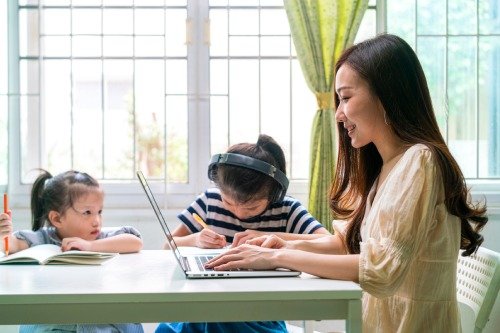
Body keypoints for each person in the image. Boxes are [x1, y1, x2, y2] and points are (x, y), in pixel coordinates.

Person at [205, 34, 488, 333]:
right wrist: (282, 241)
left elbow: (381, 270)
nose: (339, 114)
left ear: (387, 94)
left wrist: (276, 256)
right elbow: (348, 245)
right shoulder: (388, 169)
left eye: (346, 97)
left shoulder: (420, 161)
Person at [156, 134, 330, 333]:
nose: (238, 213)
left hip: (260, 314)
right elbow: (168, 244)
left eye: (252, 207)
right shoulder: (209, 201)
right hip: (206, 304)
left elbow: (329, 242)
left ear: (273, 194)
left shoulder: (286, 209)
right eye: (228, 202)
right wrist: (195, 239)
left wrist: (272, 238)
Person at [0, 169, 144, 333]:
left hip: (103, 324)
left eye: (99, 212)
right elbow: (12, 244)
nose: (96, 221)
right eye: (87, 212)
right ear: (57, 218)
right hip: (55, 324)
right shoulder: (41, 239)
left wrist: (90, 246)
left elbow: (135, 242)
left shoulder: (102, 238)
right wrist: (3, 234)